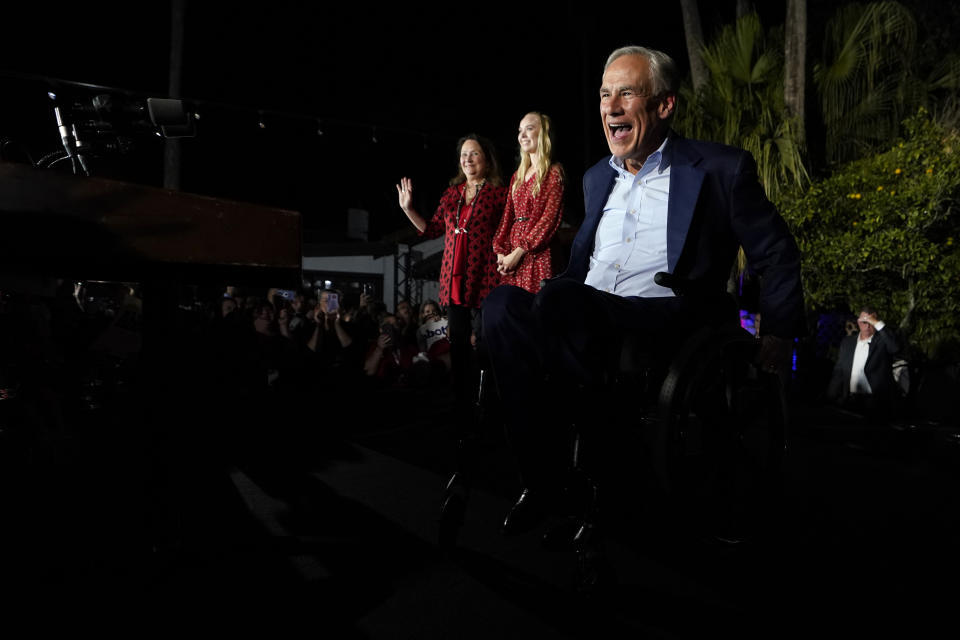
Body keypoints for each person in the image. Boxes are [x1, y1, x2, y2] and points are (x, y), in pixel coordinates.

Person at [482, 45, 805, 535]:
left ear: (664, 105)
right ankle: (544, 479)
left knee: (562, 305)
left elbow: (777, 252)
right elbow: (579, 267)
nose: (611, 107)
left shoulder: (719, 168)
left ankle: (590, 464)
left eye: (626, 94)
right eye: (604, 95)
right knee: (503, 304)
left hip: (664, 317)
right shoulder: (595, 180)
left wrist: (780, 332)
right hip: (581, 309)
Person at [396, 135, 507, 411]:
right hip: (453, 279)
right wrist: (408, 208)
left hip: (485, 278)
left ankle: (488, 402)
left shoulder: (499, 194)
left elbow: (507, 233)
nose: (467, 159)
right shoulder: (451, 194)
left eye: (474, 154)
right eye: (464, 155)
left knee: (484, 346)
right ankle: (463, 405)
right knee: (457, 347)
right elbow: (432, 229)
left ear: (487, 159)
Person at [493, 112, 565, 293]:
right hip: (512, 257)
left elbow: (548, 221)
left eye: (529, 129)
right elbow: (507, 217)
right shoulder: (517, 176)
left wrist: (519, 253)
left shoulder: (553, 173)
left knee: (536, 309)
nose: (522, 135)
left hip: (538, 253)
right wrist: (501, 253)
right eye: (520, 130)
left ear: (543, 134)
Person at [827, 306, 902, 414]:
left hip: (875, 401)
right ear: (858, 322)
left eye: (870, 323)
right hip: (851, 399)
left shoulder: (882, 342)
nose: (867, 326)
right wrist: (831, 395)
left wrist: (877, 323)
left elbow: (895, 348)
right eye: (863, 322)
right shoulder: (848, 343)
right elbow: (839, 370)